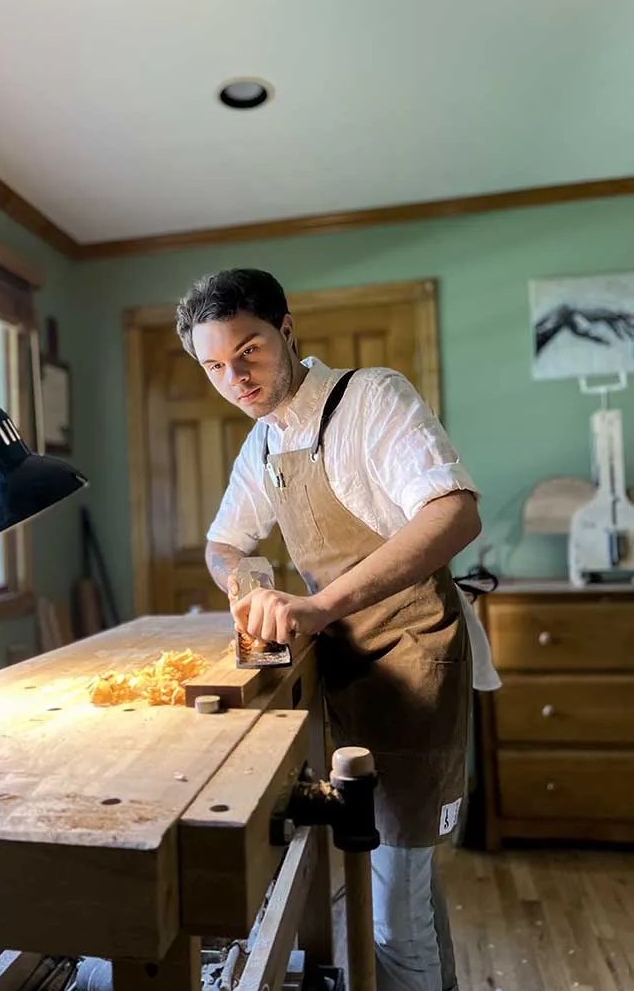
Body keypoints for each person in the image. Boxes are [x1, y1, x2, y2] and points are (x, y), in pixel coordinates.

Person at [175, 268, 488, 991]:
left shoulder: (370, 396)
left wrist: (318, 605)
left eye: (248, 351)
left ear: (286, 331)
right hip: (344, 666)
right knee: (397, 872)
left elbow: (454, 512)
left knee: (394, 903)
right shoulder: (261, 446)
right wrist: (249, 585)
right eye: (215, 366)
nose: (236, 379)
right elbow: (224, 543)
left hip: (413, 655)